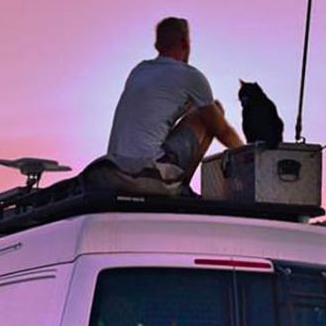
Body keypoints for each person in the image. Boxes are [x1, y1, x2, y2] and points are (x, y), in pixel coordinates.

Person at [85, 17, 244, 195]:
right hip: (150, 172)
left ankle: (178, 185)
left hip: (115, 168)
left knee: (199, 110)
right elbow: (222, 130)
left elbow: (155, 114)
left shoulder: (139, 71)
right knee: (211, 112)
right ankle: (181, 187)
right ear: (185, 42)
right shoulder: (190, 76)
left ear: (157, 45)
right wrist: (250, 158)